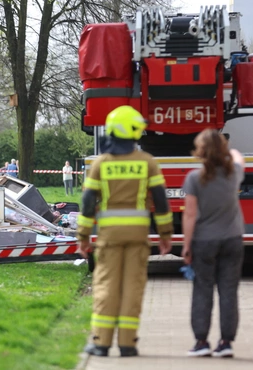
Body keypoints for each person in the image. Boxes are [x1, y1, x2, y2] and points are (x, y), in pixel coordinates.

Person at [77, 105, 173, 357]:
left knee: (107, 286)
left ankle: (101, 342)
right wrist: (165, 235)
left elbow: (87, 205)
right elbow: (161, 203)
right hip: (138, 236)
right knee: (133, 286)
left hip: (110, 237)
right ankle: (128, 344)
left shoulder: (101, 164)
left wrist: (83, 238)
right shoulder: (147, 163)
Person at [182, 129, 245, 358]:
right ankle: (226, 342)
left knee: (202, 291)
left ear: (200, 151)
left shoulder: (193, 178)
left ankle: (201, 342)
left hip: (204, 242)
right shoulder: (234, 172)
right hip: (232, 240)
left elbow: (189, 215)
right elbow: (238, 156)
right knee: (229, 292)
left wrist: (186, 246)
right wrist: (229, 152)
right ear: (222, 150)